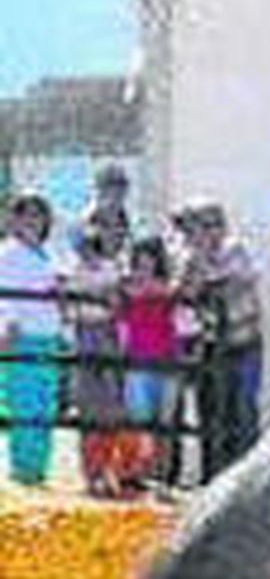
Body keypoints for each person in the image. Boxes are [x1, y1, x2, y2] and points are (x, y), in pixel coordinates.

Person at [175, 200, 263, 480]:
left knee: (244, 412)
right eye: (200, 227)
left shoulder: (236, 249)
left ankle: (245, 477)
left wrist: (210, 272)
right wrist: (199, 261)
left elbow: (241, 279)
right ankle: (212, 475)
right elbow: (187, 292)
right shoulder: (188, 258)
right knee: (211, 413)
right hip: (210, 346)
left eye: (213, 225)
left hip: (243, 342)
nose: (207, 232)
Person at [0, 195, 67, 487]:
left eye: (38, 216)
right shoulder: (7, 253)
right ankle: (24, 469)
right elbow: (5, 294)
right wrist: (7, 327)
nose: (32, 222)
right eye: (26, 215)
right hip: (22, 335)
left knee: (46, 404)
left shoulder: (49, 253)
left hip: (49, 335)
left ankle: (39, 468)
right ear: (15, 219)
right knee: (24, 403)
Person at [70, 207, 132, 496]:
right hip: (86, 334)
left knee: (112, 407)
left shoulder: (116, 267)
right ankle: (91, 473)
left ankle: (110, 470)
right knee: (88, 407)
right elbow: (71, 305)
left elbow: (118, 302)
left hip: (111, 334)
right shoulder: (75, 269)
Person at [117, 234, 184, 489]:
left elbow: (178, 294)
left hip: (167, 358)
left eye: (150, 258)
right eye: (140, 258)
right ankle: (138, 473)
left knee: (165, 422)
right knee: (138, 420)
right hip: (138, 359)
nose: (145, 263)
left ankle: (163, 476)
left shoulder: (167, 287)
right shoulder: (126, 287)